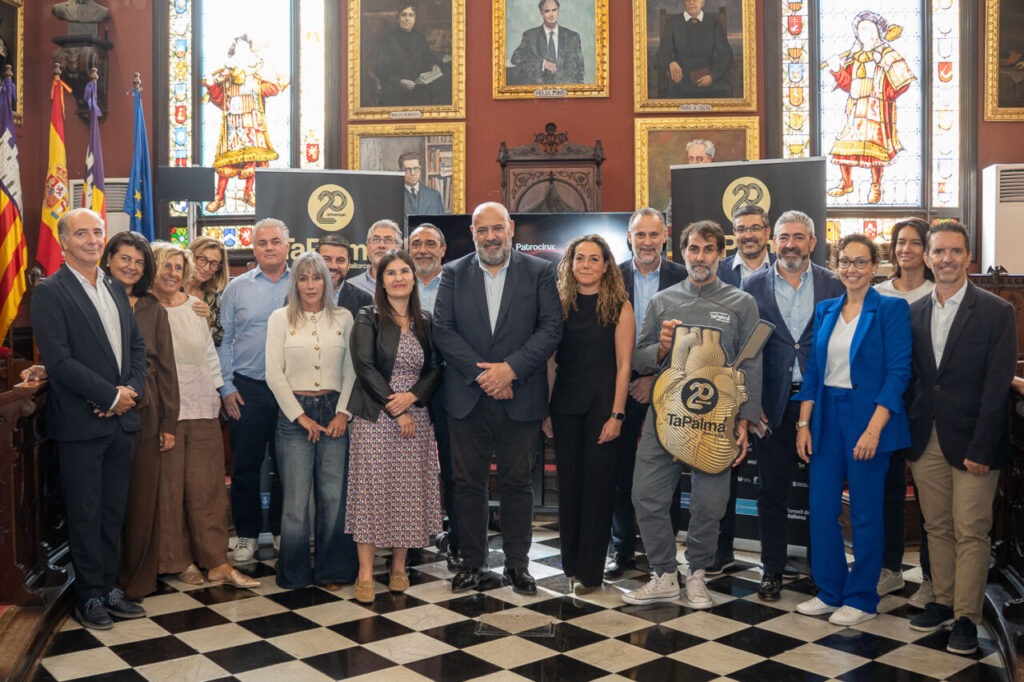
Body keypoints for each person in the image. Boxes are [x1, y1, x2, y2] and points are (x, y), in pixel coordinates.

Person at [623, 220, 762, 609]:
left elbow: (751, 365)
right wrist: (661, 349)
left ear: (720, 253)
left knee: (709, 505)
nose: (700, 257)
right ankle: (665, 573)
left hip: (716, 421)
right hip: (665, 416)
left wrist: (745, 419)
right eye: (693, 250)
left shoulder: (741, 303)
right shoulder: (662, 301)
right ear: (681, 253)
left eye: (708, 249)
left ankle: (698, 572)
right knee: (646, 495)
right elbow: (639, 357)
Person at [433, 201, 562, 595]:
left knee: (518, 485)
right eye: (481, 230)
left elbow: (551, 328)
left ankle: (518, 566)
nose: (489, 236)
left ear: (511, 229)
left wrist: (510, 370)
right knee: (467, 485)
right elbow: (443, 330)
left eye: (496, 228)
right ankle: (472, 564)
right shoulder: (453, 273)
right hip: (466, 397)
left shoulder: (539, 271)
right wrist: (485, 375)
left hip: (520, 394)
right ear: (473, 234)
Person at [31, 208, 148, 629]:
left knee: (114, 511)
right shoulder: (50, 291)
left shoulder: (116, 288)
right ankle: (89, 597)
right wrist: (107, 395)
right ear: (64, 242)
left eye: (98, 232)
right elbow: (59, 360)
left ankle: (110, 587)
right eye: (82, 234)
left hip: (121, 421)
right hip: (81, 424)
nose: (93, 240)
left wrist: (128, 393)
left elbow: (136, 348)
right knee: (85, 513)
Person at [904, 222, 1017, 655]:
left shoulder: (994, 310)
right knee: (937, 527)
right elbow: (916, 380)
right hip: (926, 439)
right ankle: (942, 600)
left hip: (974, 441)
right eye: (939, 251)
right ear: (928, 257)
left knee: (971, 530)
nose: (946, 259)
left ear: (968, 257)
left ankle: (967, 618)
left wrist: (982, 447)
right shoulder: (915, 312)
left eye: (955, 251)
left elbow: (997, 385)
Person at [794, 234, 911, 626]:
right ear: (836, 264)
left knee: (864, 513)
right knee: (822, 510)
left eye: (861, 262)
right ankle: (830, 591)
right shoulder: (827, 309)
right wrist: (804, 424)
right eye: (845, 261)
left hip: (869, 419)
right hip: (826, 417)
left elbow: (898, 374)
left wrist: (874, 430)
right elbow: (813, 371)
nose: (852, 269)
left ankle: (861, 598)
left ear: (875, 266)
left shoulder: (890, 310)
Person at [740, 210, 844, 601]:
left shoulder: (834, 285)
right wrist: (752, 403)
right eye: (783, 237)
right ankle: (772, 570)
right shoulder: (751, 285)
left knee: (824, 493)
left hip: (824, 405)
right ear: (773, 241)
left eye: (799, 237)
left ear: (813, 243)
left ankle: (823, 571)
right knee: (772, 493)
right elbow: (745, 351)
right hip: (774, 406)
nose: (790, 244)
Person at [151, 242, 260, 590]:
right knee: (169, 488)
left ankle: (216, 561)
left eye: (178, 268)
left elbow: (211, 357)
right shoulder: (142, 308)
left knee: (207, 486)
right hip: (165, 410)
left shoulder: (196, 307)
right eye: (165, 267)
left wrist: (218, 391)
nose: (172, 274)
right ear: (153, 269)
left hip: (202, 407)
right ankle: (177, 559)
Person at [346, 250, 443, 603]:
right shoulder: (367, 316)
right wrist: (396, 406)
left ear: (413, 278)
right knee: (372, 495)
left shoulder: (425, 320)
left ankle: (399, 567)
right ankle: (366, 572)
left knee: (407, 494)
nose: (399, 277)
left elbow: (436, 368)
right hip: (375, 417)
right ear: (380, 279)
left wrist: (413, 398)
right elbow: (365, 367)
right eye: (391, 273)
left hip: (415, 418)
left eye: (405, 271)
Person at [545, 235, 634, 594]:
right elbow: (551, 362)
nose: (585, 265)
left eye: (593, 259)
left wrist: (618, 415)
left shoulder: (619, 305)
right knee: (569, 488)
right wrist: (546, 410)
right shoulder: (557, 303)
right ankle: (570, 564)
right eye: (579, 258)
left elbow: (625, 366)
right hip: (565, 406)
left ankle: (591, 571)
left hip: (603, 408)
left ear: (606, 265)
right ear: (570, 263)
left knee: (597, 489)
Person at [265, 251, 357, 590]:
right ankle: (294, 573)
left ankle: (333, 570)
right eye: (303, 278)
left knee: (333, 496)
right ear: (295, 282)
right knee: (295, 500)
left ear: (329, 280)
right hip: (294, 416)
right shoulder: (280, 319)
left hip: (335, 412)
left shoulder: (345, 318)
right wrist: (300, 416)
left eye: (317, 277)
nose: (310, 284)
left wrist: (343, 413)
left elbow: (352, 370)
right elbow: (273, 373)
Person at [608, 207, 687, 579]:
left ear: (665, 235)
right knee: (620, 474)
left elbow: (693, 342)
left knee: (666, 477)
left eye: (653, 235)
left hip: (669, 388)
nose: (647, 242)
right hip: (619, 390)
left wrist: (654, 379)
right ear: (629, 237)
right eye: (640, 235)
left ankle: (665, 557)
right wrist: (627, 384)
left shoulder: (683, 277)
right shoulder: (611, 277)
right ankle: (622, 549)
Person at [101, 233, 180, 602]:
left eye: (139, 262)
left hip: (147, 416)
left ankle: (135, 582)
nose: (132, 267)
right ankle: (103, 579)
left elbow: (166, 370)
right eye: (125, 259)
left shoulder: (153, 309)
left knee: (141, 502)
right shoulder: (95, 299)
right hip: (99, 410)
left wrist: (168, 424)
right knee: (105, 501)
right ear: (109, 259)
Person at [218, 218, 292, 562]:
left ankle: (280, 531)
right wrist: (227, 387)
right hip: (248, 389)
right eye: (262, 243)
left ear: (288, 245)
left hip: (293, 389)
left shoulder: (305, 282)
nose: (269, 248)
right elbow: (223, 341)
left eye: (275, 241)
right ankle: (246, 534)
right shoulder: (237, 288)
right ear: (253, 248)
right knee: (245, 465)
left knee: (287, 465)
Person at [873, 218, 935, 606]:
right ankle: (889, 569)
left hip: (927, 405)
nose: (906, 249)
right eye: (900, 242)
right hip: (889, 404)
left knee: (930, 496)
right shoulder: (878, 293)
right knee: (889, 492)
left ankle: (932, 577)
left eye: (915, 242)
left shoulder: (938, 291)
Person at [824, 11, 915, 204]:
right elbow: (847, 84)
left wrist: (886, 94)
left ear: (878, 32)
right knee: (844, 145)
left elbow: (903, 81)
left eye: (868, 28)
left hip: (876, 109)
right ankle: (846, 183)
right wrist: (836, 69)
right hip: (855, 108)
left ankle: (876, 185)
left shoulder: (887, 55)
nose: (864, 33)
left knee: (876, 149)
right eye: (860, 29)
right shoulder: (855, 57)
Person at [408, 223, 459, 565]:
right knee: (408, 466)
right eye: (416, 244)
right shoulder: (397, 283)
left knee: (455, 466)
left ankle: (458, 538)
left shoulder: (458, 281)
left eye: (430, 243)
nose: (423, 249)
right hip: (406, 392)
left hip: (452, 387)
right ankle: (407, 541)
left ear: (443, 250)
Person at [203, 35, 288, 212]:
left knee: (253, 159)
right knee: (227, 161)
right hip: (233, 125)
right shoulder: (226, 78)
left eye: (245, 49)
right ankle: (219, 197)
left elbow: (273, 89)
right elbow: (219, 99)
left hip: (252, 123)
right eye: (238, 49)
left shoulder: (257, 76)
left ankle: (249, 193)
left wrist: (256, 86)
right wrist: (211, 85)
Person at [655, 0, 733, 98]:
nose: (691, 2)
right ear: (683, 2)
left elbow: (725, 54)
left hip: (710, 78)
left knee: (724, 93)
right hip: (682, 79)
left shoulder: (714, 24)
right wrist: (670, 62)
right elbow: (662, 53)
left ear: (702, 3)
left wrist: (713, 76)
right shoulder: (673, 24)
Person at [372, 4, 444, 107]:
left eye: (411, 15)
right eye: (403, 15)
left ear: (415, 18)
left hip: (419, 88)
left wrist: (434, 65)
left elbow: (428, 57)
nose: (407, 19)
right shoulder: (387, 39)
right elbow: (380, 68)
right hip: (396, 89)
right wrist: (400, 82)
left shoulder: (420, 38)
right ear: (398, 18)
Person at [509, 0, 585, 86]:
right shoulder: (530, 36)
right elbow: (516, 58)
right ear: (541, 13)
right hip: (539, 92)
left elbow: (580, 70)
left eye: (554, 10)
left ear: (558, 11)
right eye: (547, 11)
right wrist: (542, 63)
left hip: (565, 93)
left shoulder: (572, 37)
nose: (551, 14)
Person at [185, 236, 229, 346]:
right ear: (189, 257)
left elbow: (217, 339)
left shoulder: (212, 297)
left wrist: (207, 320)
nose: (206, 268)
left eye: (213, 264)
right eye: (202, 260)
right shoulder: (171, 288)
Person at [717, 205, 775, 288]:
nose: (748, 236)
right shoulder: (717, 271)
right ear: (734, 233)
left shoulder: (783, 268)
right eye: (741, 229)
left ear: (767, 232)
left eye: (755, 228)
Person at [316, 234, 373, 317]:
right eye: (326, 259)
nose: (333, 266)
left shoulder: (363, 300)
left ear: (349, 264)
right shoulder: (301, 296)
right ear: (315, 261)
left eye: (340, 260)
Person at [349, 219, 402, 296]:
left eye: (388, 240)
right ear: (367, 248)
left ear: (399, 248)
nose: (381, 245)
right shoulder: (351, 287)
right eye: (375, 239)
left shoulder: (407, 285)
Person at [401, 151, 445, 217]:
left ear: (420, 170)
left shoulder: (434, 196)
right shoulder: (393, 197)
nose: (412, 173)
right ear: (400, 171)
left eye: (416, 168)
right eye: (407, 169)